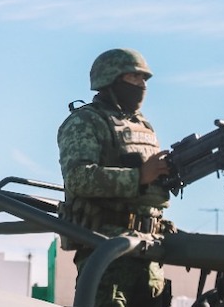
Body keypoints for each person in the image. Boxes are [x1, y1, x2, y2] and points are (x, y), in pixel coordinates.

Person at [57, 48, 174, 307]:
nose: (142, 85)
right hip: (107, 251)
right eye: (135, 78)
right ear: (111, 79)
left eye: (145, 79)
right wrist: (139, 176)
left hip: (148, 252)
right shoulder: (85, 121)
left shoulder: (143, 126)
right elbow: (78, 178)